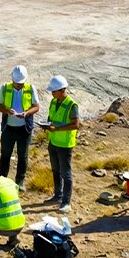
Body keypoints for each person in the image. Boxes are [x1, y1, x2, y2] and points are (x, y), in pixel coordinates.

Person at [0, 65, 39, 191]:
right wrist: (7, 110)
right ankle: (2, 180)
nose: (19, 85)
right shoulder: (5, 88)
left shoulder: (31, 88)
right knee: (5, 155)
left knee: (23, 156)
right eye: (17, 83)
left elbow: (36, 106)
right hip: (8, 128)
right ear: (12, 80)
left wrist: (26, 113)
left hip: (24, 128)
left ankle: (19, 182)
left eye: (21, 83)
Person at [43, 76, 80, 214]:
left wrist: (57, 128)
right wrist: (47, 125)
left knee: (66, 173)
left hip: (65, 144)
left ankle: (66, 202)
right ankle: (57, 195)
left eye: (54, 91)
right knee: (56, 170)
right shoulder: (53, 102)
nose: (52, 93)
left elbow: (75, 124)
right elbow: (51, 118)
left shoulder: (72, 105)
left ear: (62, 90)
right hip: (53, 141)